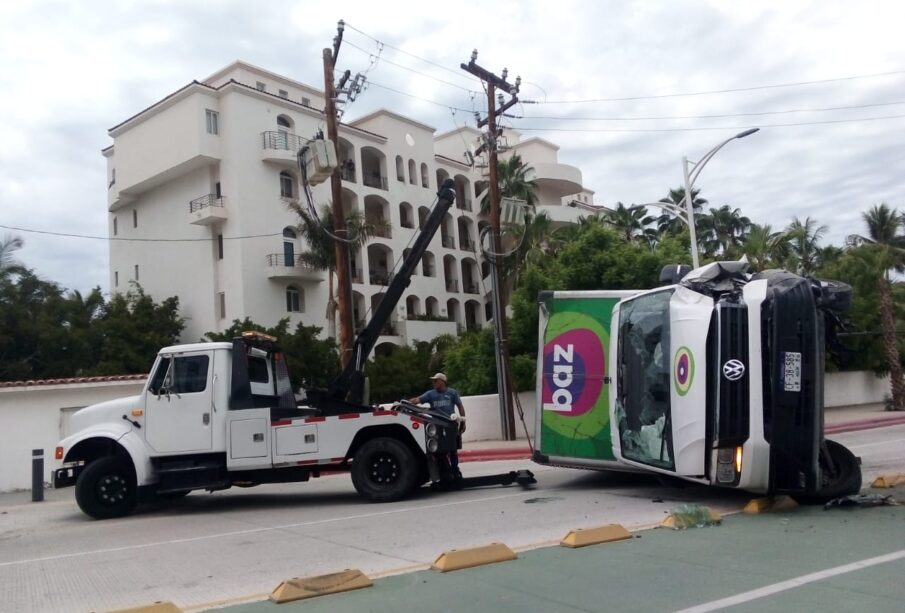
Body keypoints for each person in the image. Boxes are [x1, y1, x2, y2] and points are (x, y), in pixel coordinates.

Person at [409, 373, 466, 479]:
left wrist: (463, 421)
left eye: (436, 380)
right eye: (433, 381)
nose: (434, 383)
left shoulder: (452, 393)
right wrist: (408, 402)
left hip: (450, 424)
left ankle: (455, 470)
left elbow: (460, 406)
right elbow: (418, 400)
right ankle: (445, 471)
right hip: (437, 426)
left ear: (442, 382)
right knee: (440, 450)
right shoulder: (431, 394)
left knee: (453, 450)